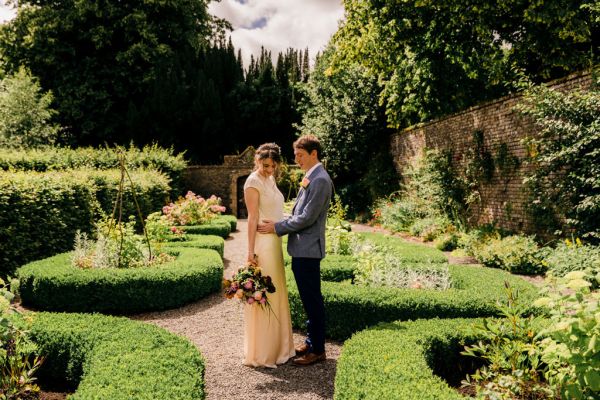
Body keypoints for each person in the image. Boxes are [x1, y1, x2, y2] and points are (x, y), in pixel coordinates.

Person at [258, 134, 332, 366]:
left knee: (312, 300)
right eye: (296, 155)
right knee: (308, 298)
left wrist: (276, 227)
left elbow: (307, 218)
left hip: (308, 250)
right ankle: (311, 341)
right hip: (303, 249)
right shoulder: (312, 177)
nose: (297, 159)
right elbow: (300, 213)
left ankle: (318, 349)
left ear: (313, 154)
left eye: (300, 155)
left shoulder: (319, 179)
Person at [242, 143, 295, 368]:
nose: (269, 170)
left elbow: (274, 212)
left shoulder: (271, 180)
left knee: (277, 293)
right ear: (257, 161)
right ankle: (264, 351)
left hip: (275, 241)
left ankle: (280, 347)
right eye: (265, 165)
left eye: (273, 166)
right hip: (263, 243)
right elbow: (253, 218)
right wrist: (250, 251)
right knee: (267, 294)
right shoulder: (252, 182)